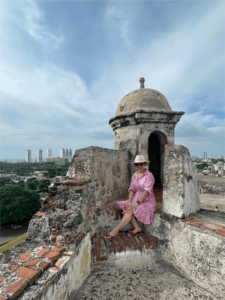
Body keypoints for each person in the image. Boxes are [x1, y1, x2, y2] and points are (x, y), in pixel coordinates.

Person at [101, 155, 156, 240]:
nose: (139, 166)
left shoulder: (149, 176)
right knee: (128, 206)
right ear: (134, 165)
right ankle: (137, 228)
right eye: (137, 164)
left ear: (145, 164)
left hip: (147, 200)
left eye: (141, 164)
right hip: (136, 197)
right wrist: (130, 200)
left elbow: (146, 191)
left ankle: (115, 231)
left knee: (130, 209)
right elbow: (132, 188)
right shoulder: (135, 175)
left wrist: (138, 202)